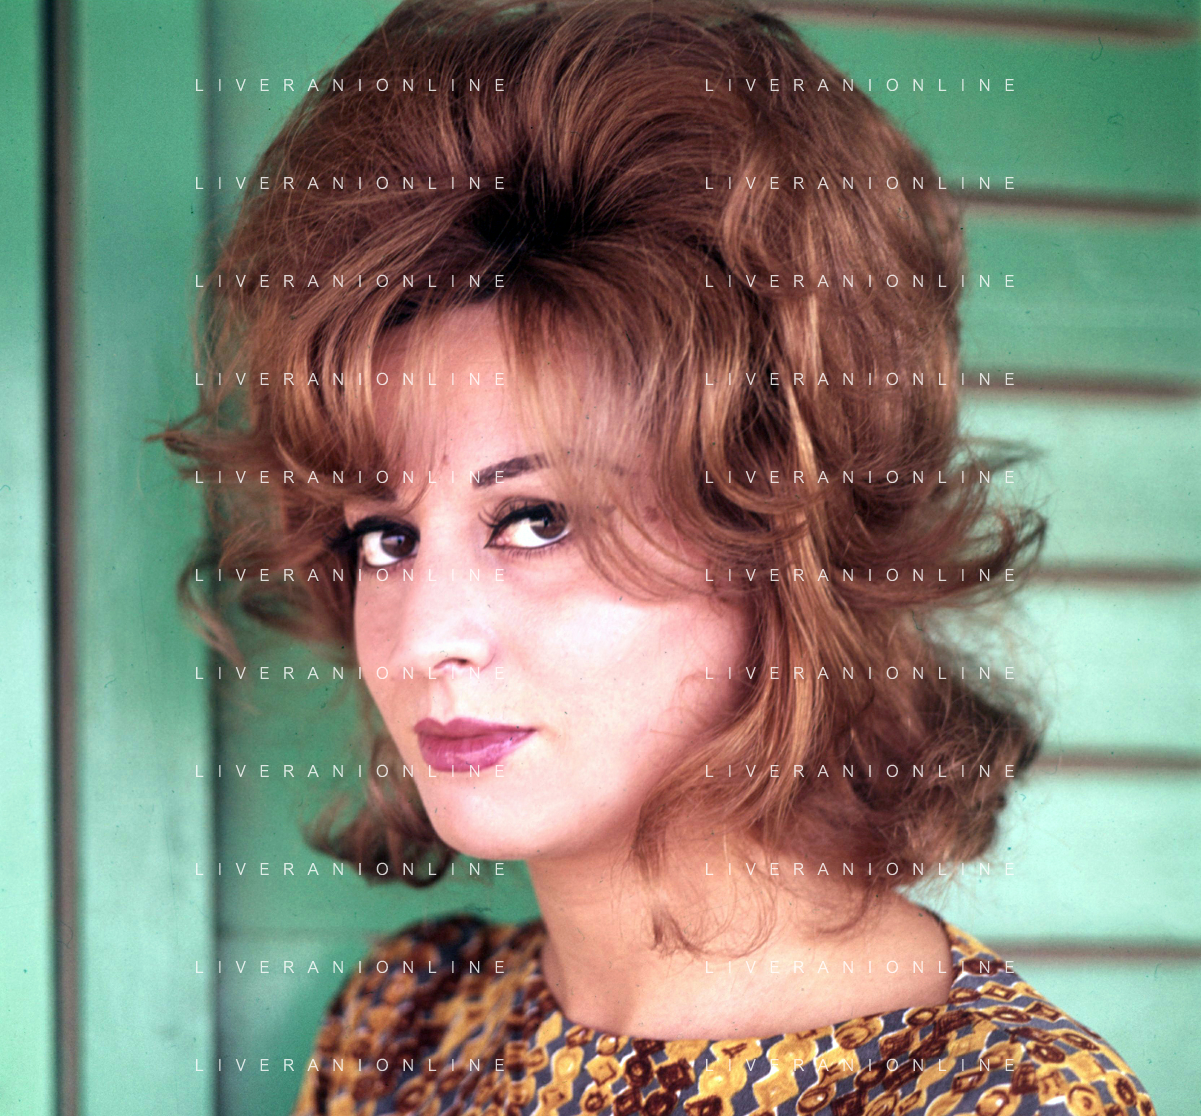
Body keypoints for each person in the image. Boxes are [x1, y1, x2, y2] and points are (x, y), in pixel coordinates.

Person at [156, 0, 1158, 1112]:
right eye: (385, 535)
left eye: (536, 519)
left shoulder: (997, 1099)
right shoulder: (406, 1024)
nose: (425, 637)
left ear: (780, 535)